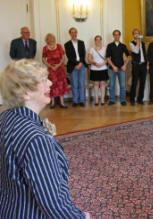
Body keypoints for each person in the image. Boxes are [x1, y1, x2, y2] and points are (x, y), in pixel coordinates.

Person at [0, 59, 90, 218]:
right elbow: (54, 204)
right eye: (42, 80)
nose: (49, 83)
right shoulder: (36, 140)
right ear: (25, 92)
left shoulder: (5, 120)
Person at [42, 33, 69, 108]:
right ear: (47, 40)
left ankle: (62, 103)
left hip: (60, 69)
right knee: (52, 85)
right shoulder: (45, 48)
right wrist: (50, 66)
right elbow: (43, 59)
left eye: (52, 38)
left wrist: (58, 65)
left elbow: (63, 57)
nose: (51, 39)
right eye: (49, 38)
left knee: (61, 85)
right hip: (51, 70)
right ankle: (53, 102)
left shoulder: (59, 46)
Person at [64, 27, 87, 107]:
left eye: (75, 32)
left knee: (81, 83)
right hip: (72, 66)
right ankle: (75, 101)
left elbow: (83, 54)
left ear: (77, 33)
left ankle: (81, 101)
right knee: (74, 84)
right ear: (70, 34)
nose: (74, 34)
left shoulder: (81, 42)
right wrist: (76, 64)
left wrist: (80, 63)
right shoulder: (67, 44)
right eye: (72, 32)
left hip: (82, 65)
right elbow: (69, 56)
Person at [106, 30, 130, 106]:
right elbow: (107, 58)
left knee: (122, 85)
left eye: (118, 35)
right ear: (113, 36)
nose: (116, 36)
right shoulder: (110, 45)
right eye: (115, 35)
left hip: (121, 68)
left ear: (120, 36)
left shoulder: (123, 45)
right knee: (112, 85)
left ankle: (122, 100)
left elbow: (128, 56)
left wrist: (125, 65)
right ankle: (112, 100)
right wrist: (113, 66)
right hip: (112, 69)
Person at [88, 35, 108, 106]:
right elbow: (89, 58)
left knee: (102, 84)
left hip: (103, 68)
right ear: (95, 41)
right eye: (97, 40)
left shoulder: (105, 48)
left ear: (101, 40)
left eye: (99, 40)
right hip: (94, 68)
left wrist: (102, 64)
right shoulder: (91, 49)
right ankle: (96, 100)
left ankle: (102, 100)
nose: (98, 41)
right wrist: (94, 63)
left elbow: (108, 58)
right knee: (96, 84)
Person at [129, 29, 147, 105]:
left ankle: (140, 99)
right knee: (134, 83)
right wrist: (138, 42)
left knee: (142, 83)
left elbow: (145, 53)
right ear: (133, 35)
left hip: (143, 65)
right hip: (136, 65)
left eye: (138, 33)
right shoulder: (131, 43)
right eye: (135, 34)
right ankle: (132, 99)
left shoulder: (143, 43)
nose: (137, 35)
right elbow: (136, 51)